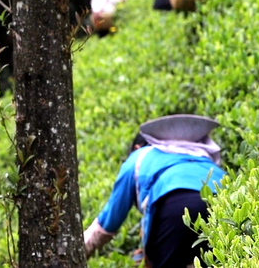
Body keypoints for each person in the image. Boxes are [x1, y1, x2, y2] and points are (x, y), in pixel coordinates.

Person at [83, 114, 226, 268]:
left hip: (175, 207)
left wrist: (80, 249)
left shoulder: (138, 157)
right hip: (222, 206)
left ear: (137, 147)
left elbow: (109, 221)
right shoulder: (202, 158)